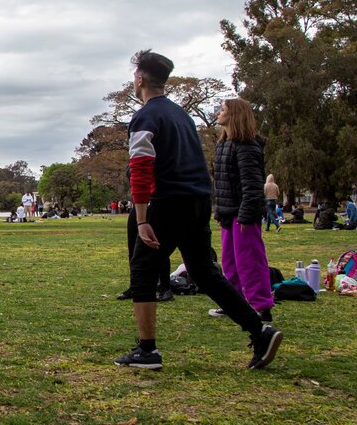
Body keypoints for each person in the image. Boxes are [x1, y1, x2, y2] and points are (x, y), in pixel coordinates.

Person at [114, 50, 281, 371]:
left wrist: (143, 217)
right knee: (204, 271)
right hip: (197, 200)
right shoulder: (181, 115)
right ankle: (260, 331)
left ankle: (147, 350)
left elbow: (141, 168)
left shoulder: (146, 117)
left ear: (139, 79)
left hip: (167, 201)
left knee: (143, 271)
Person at [211, 98, 274, 323]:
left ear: (235, 115)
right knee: (229, 262)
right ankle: (234, 303)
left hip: (243, 214)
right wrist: (219, 211)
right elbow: (221, 183)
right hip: (229, 212)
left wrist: (246, 215)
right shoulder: (223, 144)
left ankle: (261, 306)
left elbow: (252, 185)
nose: (219, 113)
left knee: (250, 261)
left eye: (223, 110)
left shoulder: (247, 146)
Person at [117, 208, 173, 303]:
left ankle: (165, 288)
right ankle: (135, 287)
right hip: (138, 206)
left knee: (158, 247)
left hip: (156, 206)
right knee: (133, 248)